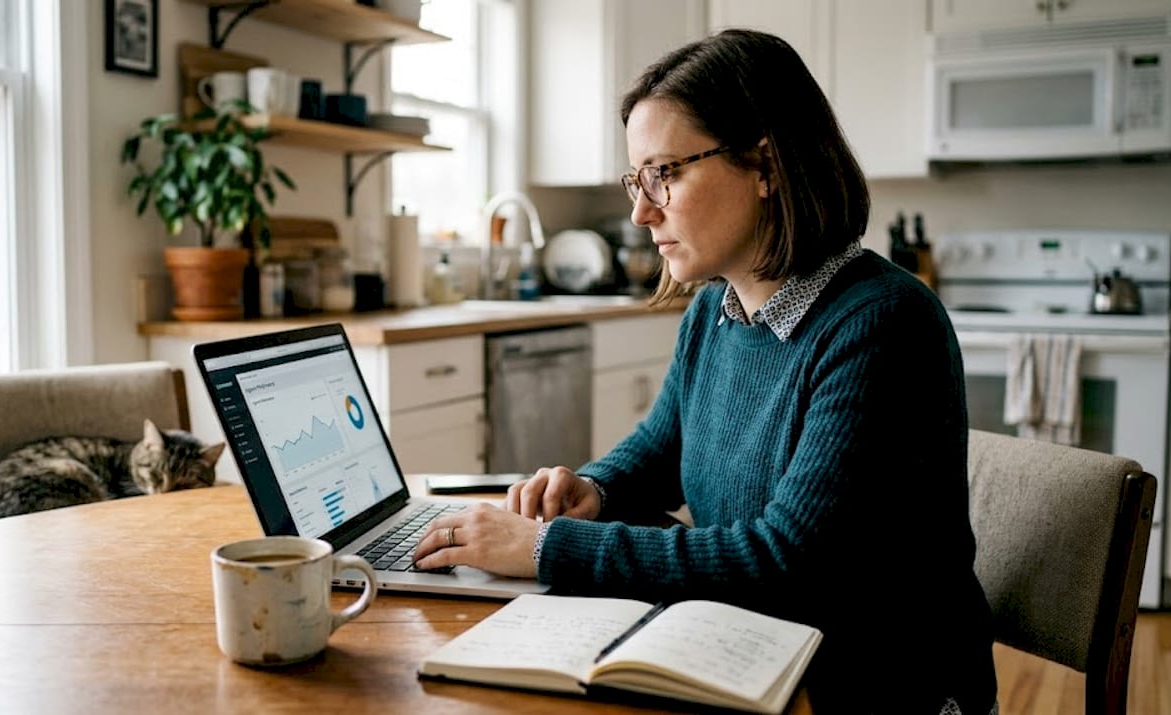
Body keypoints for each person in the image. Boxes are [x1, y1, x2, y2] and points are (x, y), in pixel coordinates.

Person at [413, 29, 996, 714]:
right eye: (639, 178)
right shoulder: (714, 311)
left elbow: (788, 564)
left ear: (764, 164)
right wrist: (591, 488)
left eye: (665, 172)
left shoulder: (884, 321)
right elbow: (660, 452)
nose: (639, 210)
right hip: (758, 651)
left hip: (877, 687)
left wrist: (548, 546)